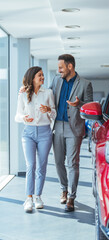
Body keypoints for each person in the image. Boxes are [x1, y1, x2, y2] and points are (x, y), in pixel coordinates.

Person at [49, 54, 93, 212]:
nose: (58, 70)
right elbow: (46, 96)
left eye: (61, 67)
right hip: (57, 126)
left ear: (70, 66)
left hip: (74, 127)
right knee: (59, 161)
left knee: (72, 163)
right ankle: (64, 189)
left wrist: (79, 104)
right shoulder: (56, 80)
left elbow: (89, 105)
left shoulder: (85, 84)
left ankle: (71, 197)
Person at [15, 66, 56, 213]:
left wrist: (49, 111)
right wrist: (24, 117)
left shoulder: (48, 93)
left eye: (43, 75)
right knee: (30, 165)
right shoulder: (23, 94)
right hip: (28, 133)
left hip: (45, 132)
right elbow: (17, 116)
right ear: (32, 77)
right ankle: (29, 198)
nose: (43, 78)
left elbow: (54, 113)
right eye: (40, 75)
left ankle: (38, 196)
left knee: (42, 166)